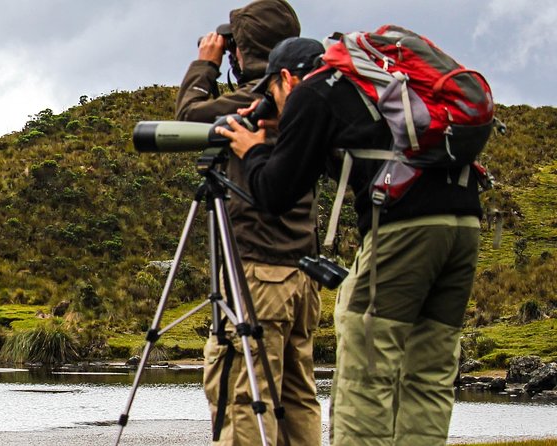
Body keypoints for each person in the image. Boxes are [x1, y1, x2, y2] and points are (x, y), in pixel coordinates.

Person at [216, 36, 483, 446]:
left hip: (403, 230)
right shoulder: (366, 90)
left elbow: (275, 195)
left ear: (285, 78)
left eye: (271, 93)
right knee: (428, 373)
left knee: (366, 371)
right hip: (464, 224)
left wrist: (252, 150)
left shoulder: (312, 93)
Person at [175, 2, 322, 445]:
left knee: (243, 395)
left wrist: (205, 65)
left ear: (247, 49)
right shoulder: (308, 101)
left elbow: (189, 115)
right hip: (302, 274)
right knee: (296, 397)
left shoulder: (256, 100)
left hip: (257, 273)